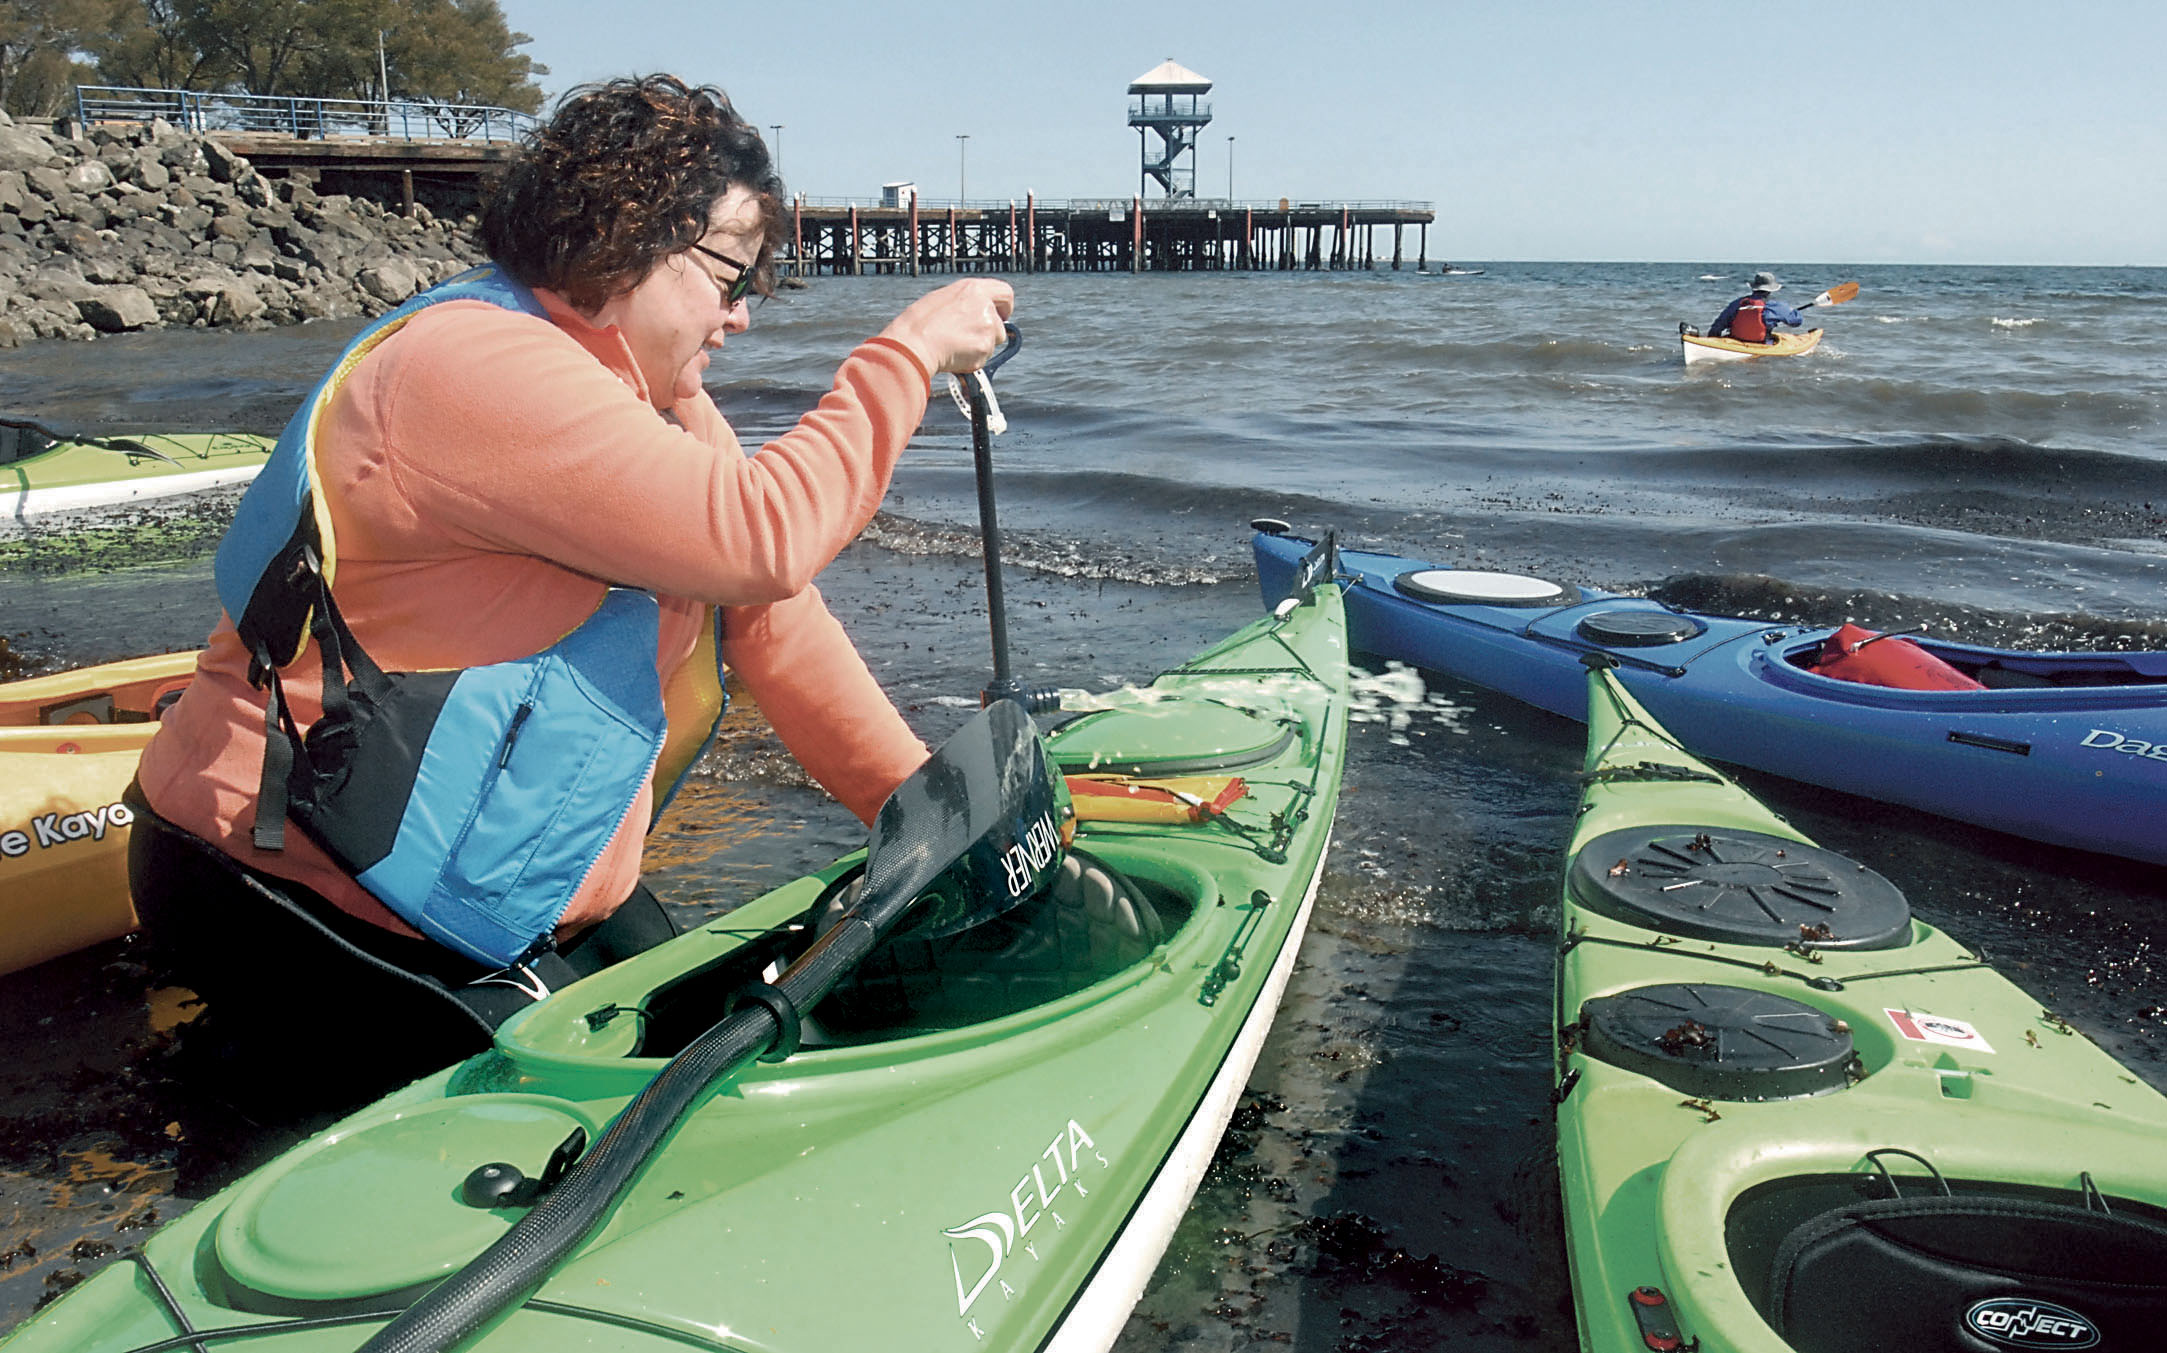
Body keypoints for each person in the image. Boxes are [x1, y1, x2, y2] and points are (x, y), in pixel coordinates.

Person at [126, 75, 1014, 1096]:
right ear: (624, 233)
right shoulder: (472, 364)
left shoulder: (657, 406)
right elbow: (766, 537)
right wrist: (905, 354)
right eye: (730, 274)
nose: (740, 318)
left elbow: (776, 623)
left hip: (487, 880)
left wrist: (930, 818)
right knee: (639, 1125)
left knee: (724, 1053)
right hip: (297, 877)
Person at [1708, 271, 1805, 344]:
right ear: (1770, 290)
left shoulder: (1737, 303)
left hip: (1735, 342)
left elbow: (1718, 326)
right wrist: (1793, 312)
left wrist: (1712, 340)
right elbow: (1796, 322)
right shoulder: (1777, 306)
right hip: (1761, 344)